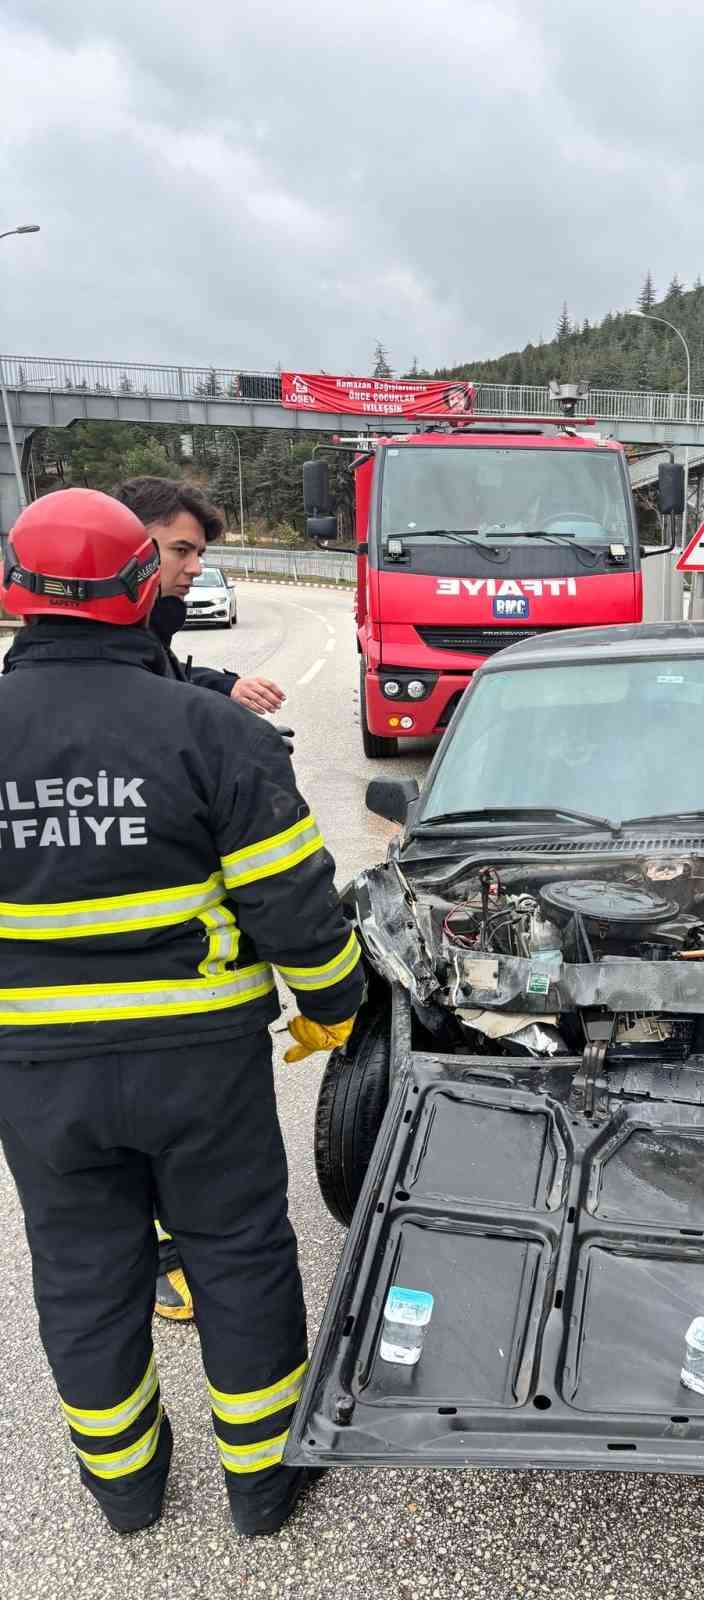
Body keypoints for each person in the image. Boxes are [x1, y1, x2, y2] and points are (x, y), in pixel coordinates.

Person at [0, 488, 365, 1537]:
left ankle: (125, 1491)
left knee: (80, 1272)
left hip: (38, 1078)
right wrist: (339, 1007)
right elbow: (294, 904)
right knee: (240, 1252)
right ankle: (261, 1486)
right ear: (135, 587)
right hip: (200, 1069)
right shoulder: (211, 732)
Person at [116, 476, 285, 1318]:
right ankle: (157, 1258)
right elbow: (138, 702)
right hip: (138, 988)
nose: (191, 568)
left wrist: (218, 694)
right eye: (179, 550)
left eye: (198, 554)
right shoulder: (89, 649)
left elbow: (161, 676)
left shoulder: (144, 629)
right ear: (128, 544)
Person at [115, 475, 285, 713]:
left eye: (199, 554)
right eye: (181, 550)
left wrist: (227, 686)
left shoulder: (136, 632)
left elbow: (159, 671)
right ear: (129, 549)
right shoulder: (97, 638)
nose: (196, 569)